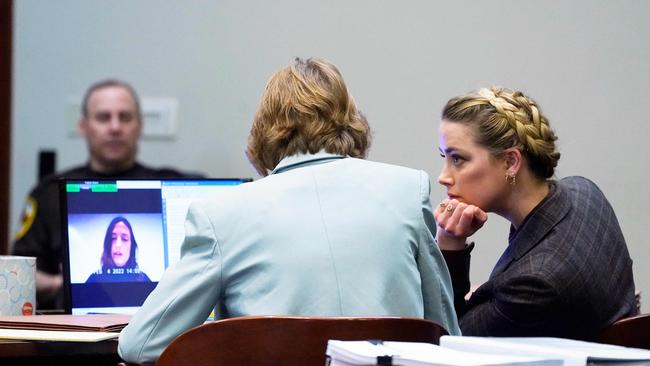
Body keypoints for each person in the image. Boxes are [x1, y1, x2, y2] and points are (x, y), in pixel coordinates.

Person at [118, 58, 460, 364]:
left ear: (263, 130)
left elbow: (142, 345)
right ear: (352, 122)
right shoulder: (407, 189)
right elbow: (445, 333)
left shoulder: (221, 213)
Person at [434, 86, 636, 340]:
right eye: (444, 156)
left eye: (458, 159)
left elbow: (448, 338)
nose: (443, 177)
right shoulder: (583, 191)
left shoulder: (535, 283)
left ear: (510, 162)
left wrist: (450, 244)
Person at [12, 79, 201, 310]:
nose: (115, 127)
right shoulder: (49, 193)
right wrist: (63, 283)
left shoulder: (174, 184)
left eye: (125, 117)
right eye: (103, 117)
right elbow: (18, 273)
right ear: (83, 126)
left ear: (139, 126)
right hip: (73, 335)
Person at [86, 216, 151, 283]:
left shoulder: (143, 279)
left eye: (124, 239)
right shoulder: (94, 279)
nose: (118, 245)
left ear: (132, 247)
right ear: (107, 244)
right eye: (113, 238)